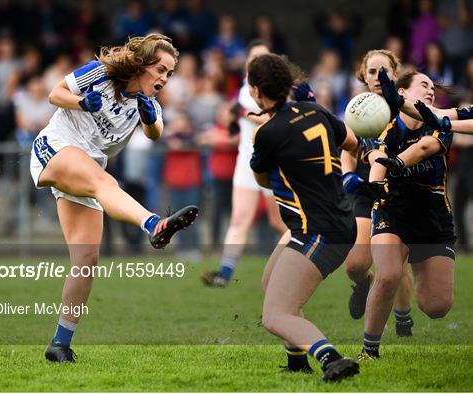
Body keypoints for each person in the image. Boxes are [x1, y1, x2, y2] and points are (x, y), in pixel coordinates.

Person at [30, 34, 199, 363]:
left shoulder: (149, 103)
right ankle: (154, 223)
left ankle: (59, 344)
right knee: (104, 181)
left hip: (87, 167)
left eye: (170, 73)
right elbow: (55, 94)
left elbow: (156, 131)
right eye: (161, 69)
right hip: (57, 146)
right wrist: (81, 103)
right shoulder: (101, 72)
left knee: (87, 260)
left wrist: (150, 119)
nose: (164, 78)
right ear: (143, 64)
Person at [249, 53, 360, 382]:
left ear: (256, 91)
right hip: (329, 221)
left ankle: (331, 358)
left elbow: (263, 180)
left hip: (320, 231)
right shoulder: (317, 111)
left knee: (274, 315)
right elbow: (351, 142)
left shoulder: (268, 133)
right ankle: (296, 362)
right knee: (270, 284)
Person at [360, 71, 456, 359]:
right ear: (401, 93)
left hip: (433, 213)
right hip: (394, 208)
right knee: (388, 275)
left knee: (436, 307)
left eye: (432, 87)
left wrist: (398, 162)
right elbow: (376, 158)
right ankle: (369, 351)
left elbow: (426, 147)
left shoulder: (439, 122)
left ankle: (417, 269)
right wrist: (376, 184)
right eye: (423, 85)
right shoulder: (382, 125)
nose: (430, 91)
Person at [341, 49, 415, 336]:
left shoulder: (406, 108)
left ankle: (403, 322)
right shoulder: (357, 107)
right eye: (372, 71)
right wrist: (347, 173)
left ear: (395, 75)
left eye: (383, 71)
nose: (377, 76)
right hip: (365, 189)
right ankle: (362, 282)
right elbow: (346, 148)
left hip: (398, 191)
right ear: (364, 75)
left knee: (394, 266)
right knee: (355, 265)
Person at [201, 39, 287, 287]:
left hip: (273, 164)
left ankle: (305, 261)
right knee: (239, 218)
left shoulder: (278, 90)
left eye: (263, 57)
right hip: (247, 162)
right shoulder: (244, 89)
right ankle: (224, 274)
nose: (258, 62)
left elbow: (270, 118)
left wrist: (241, 112)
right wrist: (240, 113)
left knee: (279, 223)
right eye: (254, 58)